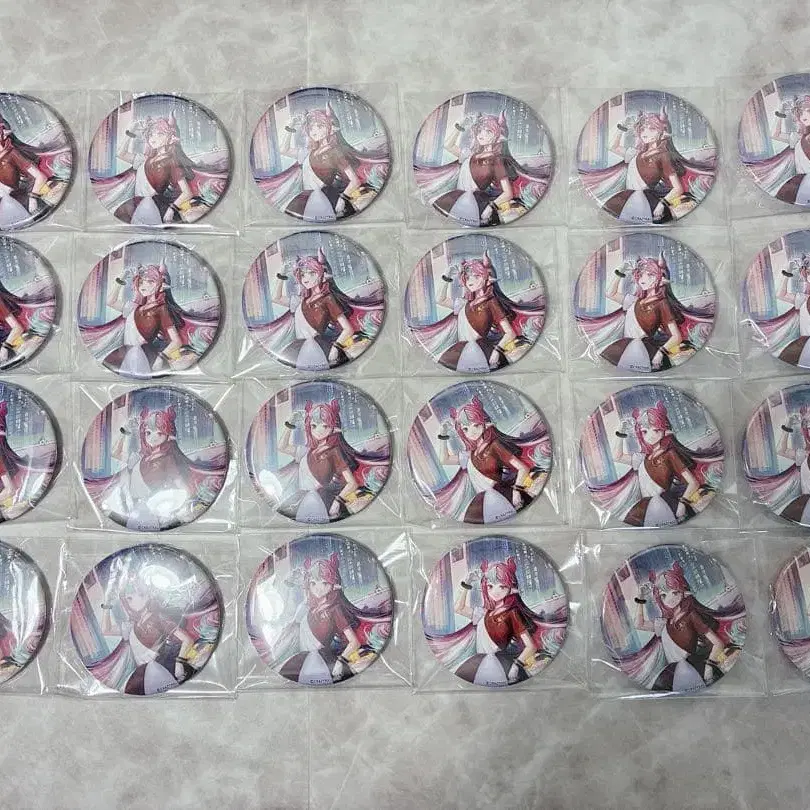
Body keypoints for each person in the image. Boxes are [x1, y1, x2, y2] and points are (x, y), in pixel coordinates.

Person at [424, 557, 566, 687]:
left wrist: (516, 665)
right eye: (490, 586)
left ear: (511, 588)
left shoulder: (512, 613)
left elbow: (531, 646)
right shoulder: (483, 613)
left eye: (502, 586)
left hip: (499, 663)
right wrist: (467, 583)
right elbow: (458, 608)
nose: (495, 591)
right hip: (478, 662)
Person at [90, 405, 226, 531]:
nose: (153, 438)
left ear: (168, 435)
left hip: (156, 510)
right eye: (148, 433)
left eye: (159, 433)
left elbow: (180, 482)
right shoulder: (140, 456)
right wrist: (124, 431)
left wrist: (190, 503)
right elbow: (116, 454)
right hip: (128, 507)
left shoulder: (168, 459)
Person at [579, 253, 712, 373]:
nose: (643, 278)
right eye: (641, 274)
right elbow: (610, 293)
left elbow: (676, 336)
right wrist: (621, 270)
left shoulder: (662, 303)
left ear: (661, 279)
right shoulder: (634, 301)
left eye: (650, 275)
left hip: (642, 349)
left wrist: (660, 353)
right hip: (624, 346)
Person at [412, 251, 540, 373]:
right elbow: (440, 300)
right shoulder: (464, 304)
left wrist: (497, 351)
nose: (470, 281)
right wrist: (447, 277)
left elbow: (510, 333)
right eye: (467, 277)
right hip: (460, 349)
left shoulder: (491, 302)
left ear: (487, 278)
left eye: (476, 276)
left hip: (480, 350)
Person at [274, 553, 390, 685]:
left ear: (333, 585)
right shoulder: (309, 607)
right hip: (302, 657)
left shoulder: (335, 610)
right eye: (313, 583)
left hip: (320, 659)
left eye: (324, 583)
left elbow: (354, 642)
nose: (318, 589)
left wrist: (341, 661)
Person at [585, 107, 714, 224]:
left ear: (661, 132)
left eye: (652, 128)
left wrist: (662, 204)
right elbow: (612, 147)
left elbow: (678, 188)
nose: (645, 132)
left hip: (645, 201)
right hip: (626, 198)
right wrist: (622, 127)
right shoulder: (636, 154)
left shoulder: (663, 155)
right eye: (642, 129)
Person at [419, 111, 547, 227]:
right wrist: (460, 126)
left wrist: (491, 207)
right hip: (456, 198)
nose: (482, 134)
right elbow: (448, 145)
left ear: (498, 136)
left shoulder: (496, 160)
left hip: (474, 202)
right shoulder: (470, 155)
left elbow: (508, 193)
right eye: (480, 131)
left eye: (488, 131)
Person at [434, 396, 547, 524]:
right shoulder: (470, 455)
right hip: (485, 501)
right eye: (465, 429)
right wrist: (442, 435)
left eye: (476, 425)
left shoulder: (495, 446)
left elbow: (523, 468)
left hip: (502, 496)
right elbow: (445, 460)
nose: (472, 432)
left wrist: (517, 491)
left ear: (484, 423)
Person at [268, 247, 382, 371]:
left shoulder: (327, 299)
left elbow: (348, 329)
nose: (306, 278)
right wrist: (281, 275)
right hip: (297, 346)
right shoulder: (300, 300)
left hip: (316, 346)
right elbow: (276, 298)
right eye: (302, 274)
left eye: (312, 273)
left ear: (321, 274)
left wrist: (336, 347)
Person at [268, 105, 388, 222]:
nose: (314, 131)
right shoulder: (308, 152)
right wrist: (290, 126)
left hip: (324, 199)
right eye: (311, 128)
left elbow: (355, 181)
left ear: (330, 128)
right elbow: (283, 150)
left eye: (320, 126)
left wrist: (343, 198)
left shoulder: (335, 152)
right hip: (305, 198)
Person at [608, 401, 718, 527]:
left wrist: (683, 503)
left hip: (662, 504)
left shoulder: (669, 454)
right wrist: (620, 432)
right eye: (645, 432)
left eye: (656, 430)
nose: (650, 436)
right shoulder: (642, 458)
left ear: (664, 431)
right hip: (645, 505)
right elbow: (617, 456)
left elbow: (693, 482)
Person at [633, 561, 738, 692]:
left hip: (690, 668)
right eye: (663, 595)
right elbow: (639, 624)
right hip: (673, 672)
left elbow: (718, 643)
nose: (670, 599)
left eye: (675, 592)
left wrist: (710, 666)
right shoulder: (664, 623)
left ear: (684, 592)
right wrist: (640, 597)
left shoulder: (691, 615)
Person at [275, 399, 386, 524]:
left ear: (333, 427)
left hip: (321, 500)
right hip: (300, 499)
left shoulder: (334, 452)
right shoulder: (305, 451)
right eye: (314, 426)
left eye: (325, 426)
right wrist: (290, 424)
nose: (319, 430)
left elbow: (352, 483)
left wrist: (338, 501)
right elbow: (282, 447)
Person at [100, 578, 198, 696]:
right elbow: (106, 630)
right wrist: (107, 604)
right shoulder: (132, 625)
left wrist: (180, 662)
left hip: (159, 672)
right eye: (128, 599)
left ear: (147, 596)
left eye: (132, 597)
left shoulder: (159, 618)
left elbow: (187, 640)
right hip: (142, 676)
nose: (129, 602)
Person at [111, 115, 211, 225]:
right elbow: (120, 153)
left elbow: (187, 192)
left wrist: (171, 209)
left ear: (170, 137)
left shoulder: (171, 161)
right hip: (137, 204)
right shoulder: (144, 159)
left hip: (153, 206)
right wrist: (131, 130)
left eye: (160, 134)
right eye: (151, 134)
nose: (153, 138)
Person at [0, 113, 58, 229]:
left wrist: (33, 197)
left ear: (4, 135)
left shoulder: (12, 154)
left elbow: (40, 177)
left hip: (18, 203)